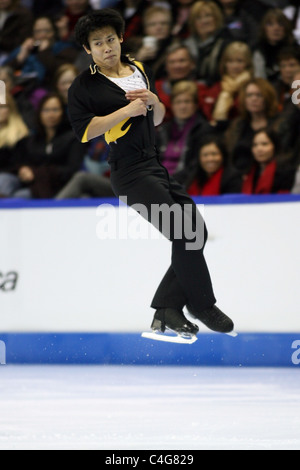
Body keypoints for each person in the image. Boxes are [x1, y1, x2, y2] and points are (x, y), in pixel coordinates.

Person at [68, 9, 235, 340]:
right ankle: (197, 305)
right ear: (88, 49)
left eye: (110, 39)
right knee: (183, 231)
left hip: (154, 164)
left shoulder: (140, 68)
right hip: (128, 172)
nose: (106, 47)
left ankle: (166, 310)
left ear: (121, 38)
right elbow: (84, 132)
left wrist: (154, 101)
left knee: (194, 231)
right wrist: (125, 111)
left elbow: (156, 118)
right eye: (97, 43)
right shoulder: (84, 86)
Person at [16, 93, 86, 199]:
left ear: (63, 112)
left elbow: (72, 169)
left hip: (65, 186)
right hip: (36, 185)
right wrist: (24, 170)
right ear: (39, 113)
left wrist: (37, 173)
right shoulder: (32, 141)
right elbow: (24, 162)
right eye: (46, 110)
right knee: (18, 195)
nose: (51, 115)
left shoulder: (73, 138)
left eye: (55, 110)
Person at [156, 80, 213, 176]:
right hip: (160, 181)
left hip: (185, 183)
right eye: (178, 102)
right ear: (172, 106)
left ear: (195, 105)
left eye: (187, 101)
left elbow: (196, 166)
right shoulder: (162, 129)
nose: (182, 106)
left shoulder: (204, 129)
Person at [226, 78, 279, 174]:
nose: (254, 99)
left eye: (259, 95)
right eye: (249, 95)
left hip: (270, 177)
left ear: (267, 98)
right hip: (238, 178)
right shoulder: (237, 125)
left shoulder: (279, 124)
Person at [184, 0, 233, 85]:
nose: (204, 21)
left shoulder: (226, 44)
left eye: (208, 15)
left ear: (216, 17)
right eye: (199, 17)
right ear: (193, 22)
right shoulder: (186, 46)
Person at [242, 129, 295, 194]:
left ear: (274, 146)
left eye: (264, 144)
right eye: (255, 145)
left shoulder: (286, 171)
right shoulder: (248, 172)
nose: (259, 149)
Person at [253, 8, 296, 82]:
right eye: (270, 24)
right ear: (264, 28)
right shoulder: (258, 51)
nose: (276, 28)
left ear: (286, 28)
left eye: (281, 24)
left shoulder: (296, 51)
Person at [0, 93, 30, 198]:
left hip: (12, 177)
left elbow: (20, 165)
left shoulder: (20, 134)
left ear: (10, 108)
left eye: (2, 106)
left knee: (2, 180)